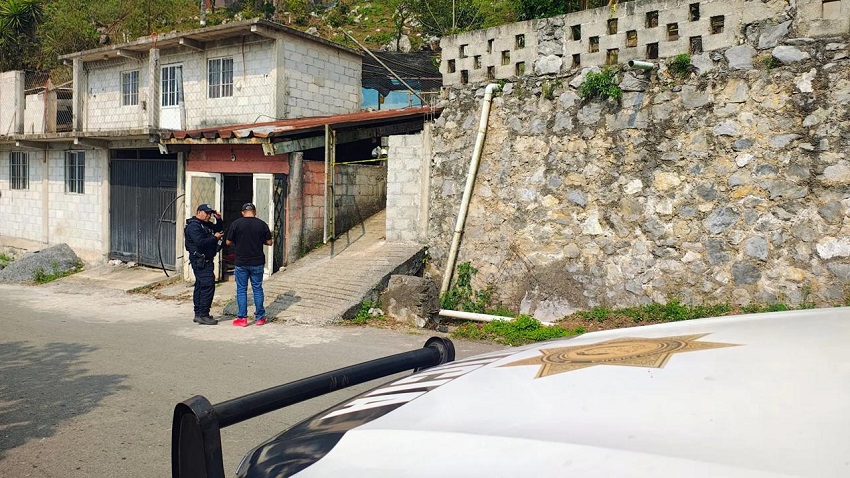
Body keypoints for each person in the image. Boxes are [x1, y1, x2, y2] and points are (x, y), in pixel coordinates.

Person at [226, 203, 273, 327]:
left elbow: (228, 242)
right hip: (257, 261)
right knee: (257, 288)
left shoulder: (236, 224)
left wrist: (239, 241)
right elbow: (269, 242)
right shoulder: (262, 224)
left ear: (242, 212)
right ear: (255, 212)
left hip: (241, 262)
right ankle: (260, 318)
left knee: (241, 290)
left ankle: (242, 318)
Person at [184, 203, 224, 325]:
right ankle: (203, 314)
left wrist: (218, 219)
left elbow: (218, 230)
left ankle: (199, 313)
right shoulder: (194, 226)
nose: (208, 216)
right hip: (200, 260)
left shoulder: (205, 224)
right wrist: (215, 238)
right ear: (198, 212)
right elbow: (200, 242)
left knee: (201, 285)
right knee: (207, 285)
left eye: (210, 214)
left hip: (206, 259)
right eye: (206, 213)